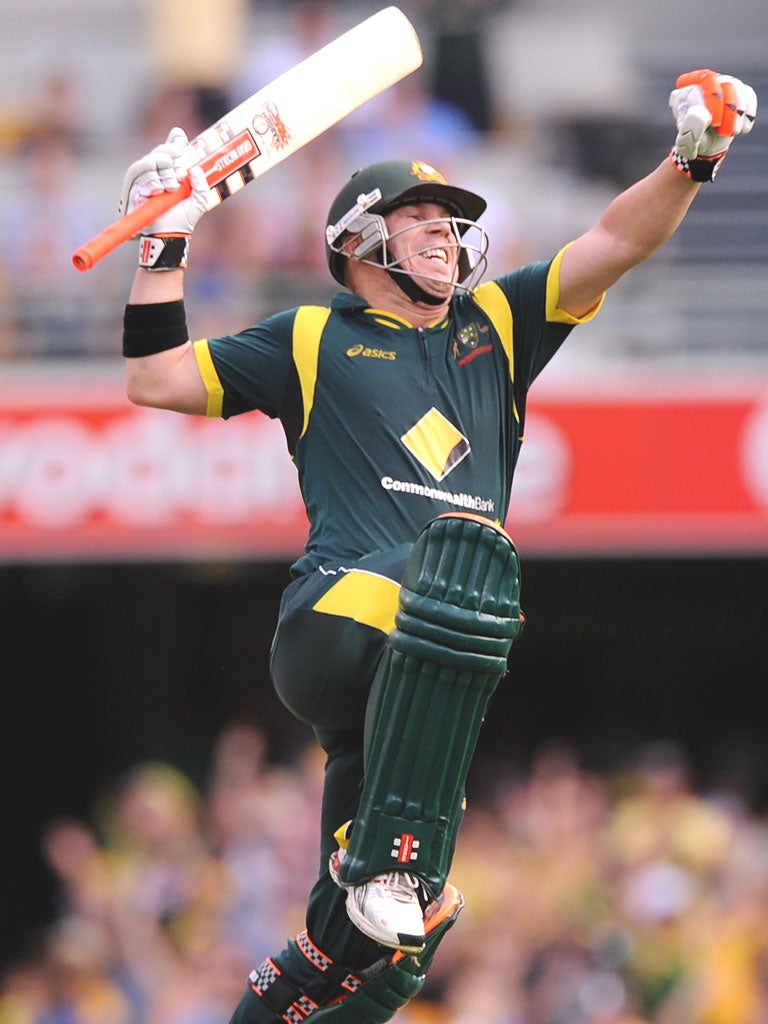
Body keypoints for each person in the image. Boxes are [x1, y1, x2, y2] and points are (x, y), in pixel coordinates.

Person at [115, 68, 756, 1023]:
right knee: (465, 562)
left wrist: (693, 158)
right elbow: (157, 379)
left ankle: (356, 925)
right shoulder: (311, 336)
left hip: (412, 687)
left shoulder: (494, 327)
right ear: (362, 242)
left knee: (364, 959)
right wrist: (164, 239)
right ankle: (396, 871)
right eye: (423, 221)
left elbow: (617, 240)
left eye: (454, 224)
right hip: (335, 622)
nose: (449, 239)